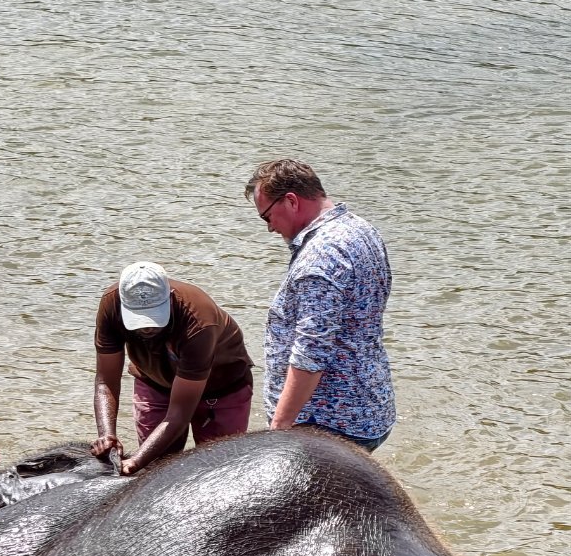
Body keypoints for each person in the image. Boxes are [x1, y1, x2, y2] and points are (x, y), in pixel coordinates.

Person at [246, 158, 395, 450]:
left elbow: (311, 353)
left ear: (290, 200)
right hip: (367, 405)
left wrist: (280, 426)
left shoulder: (321, 257)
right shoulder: (360, 229)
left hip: (326, 423)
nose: (270, 229)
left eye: (267, 217)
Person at [91, 262, 254, 476]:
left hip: (220, 388)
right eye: (138, 319)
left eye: (153, 317)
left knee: (218, 471)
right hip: (155, 381)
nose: (147, 327)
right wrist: (107, 437)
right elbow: (106, 381)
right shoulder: (111, 304)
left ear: (169, 297)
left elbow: (178, 414)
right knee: (157, 470)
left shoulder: (198, 321)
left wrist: (135, 462)